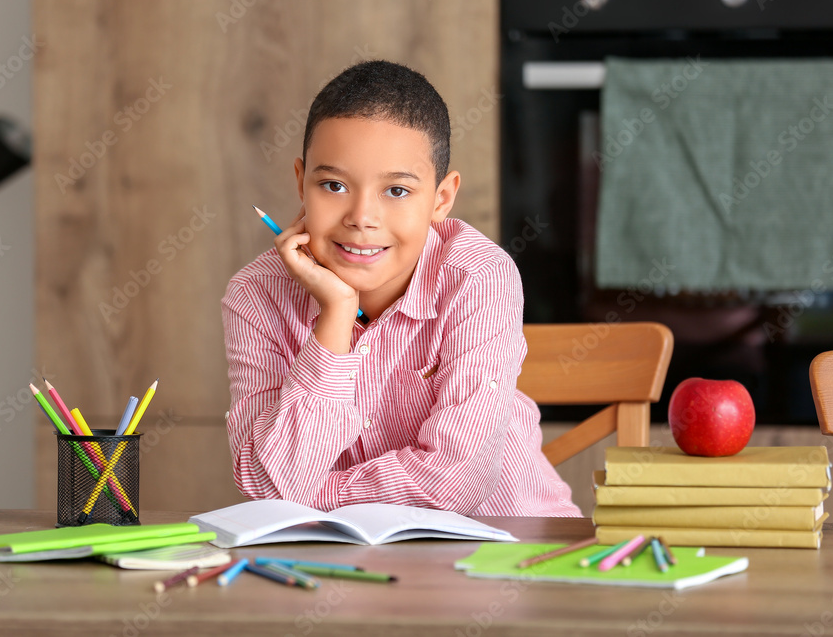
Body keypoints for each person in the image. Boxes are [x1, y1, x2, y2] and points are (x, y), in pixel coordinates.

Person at [222, 60, 581, 517]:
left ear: (441, 199)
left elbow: (454, 485)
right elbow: (266, 483)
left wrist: (309, 497)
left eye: (396, 191)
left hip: (508, 552)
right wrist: (335, 318)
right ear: (301, 183)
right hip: (340, 565)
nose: (361, 218)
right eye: (333, 185)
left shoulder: (477, 278)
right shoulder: (256, 296)